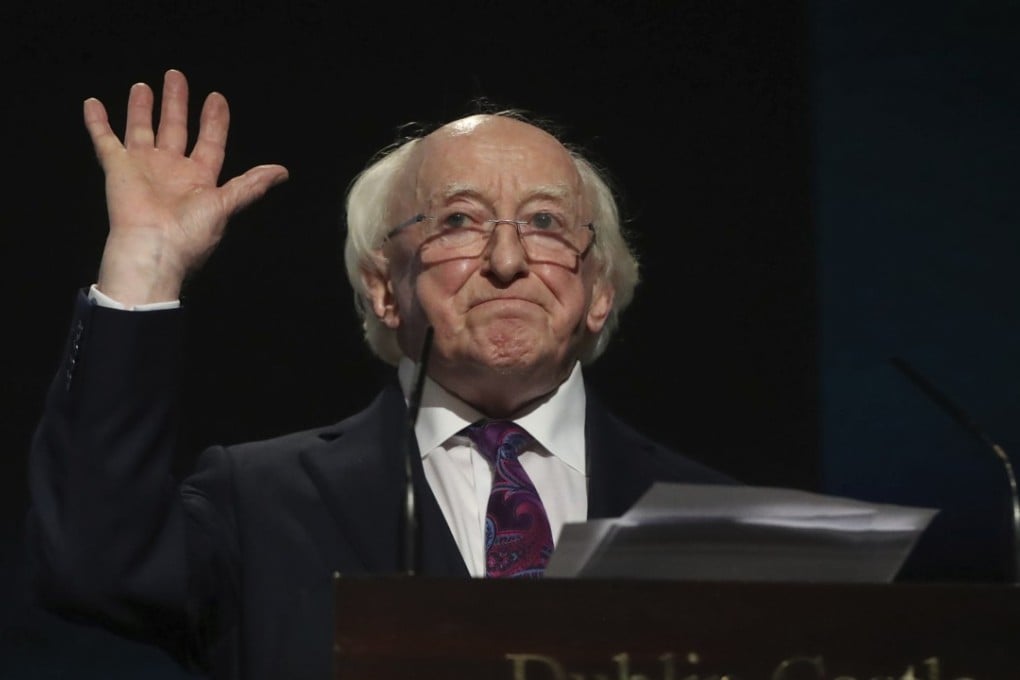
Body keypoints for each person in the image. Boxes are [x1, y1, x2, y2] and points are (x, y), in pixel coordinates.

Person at [27, 69, 734, 680]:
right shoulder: (260, 504)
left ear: (599, 287)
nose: (508, 261)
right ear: (383, 288)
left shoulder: (718, 524)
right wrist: (146, 262)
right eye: (459, 220)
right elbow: (91, 564)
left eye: (546, 221)